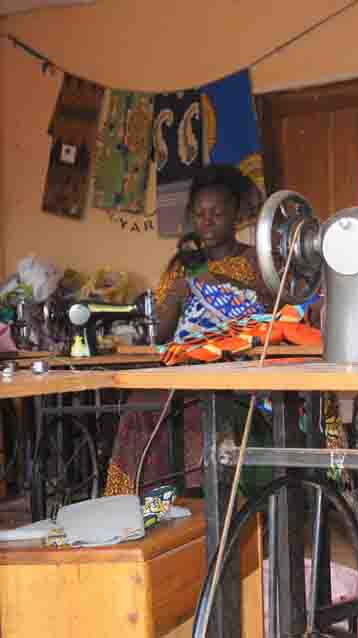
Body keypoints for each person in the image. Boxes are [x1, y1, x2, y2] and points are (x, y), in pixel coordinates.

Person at [105, 164, 274, 495]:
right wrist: (176, 298)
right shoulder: (182, 266)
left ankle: (203, 504)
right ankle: (134, 501)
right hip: (187, 368)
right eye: (199, 215)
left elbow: (271, 311)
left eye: (216, 214)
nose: (207, 222)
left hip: (239, 373)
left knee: (198, 413)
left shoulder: (256, 262)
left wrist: (221, 283)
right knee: (140, 404)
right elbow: (162, 333)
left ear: (236, 215)